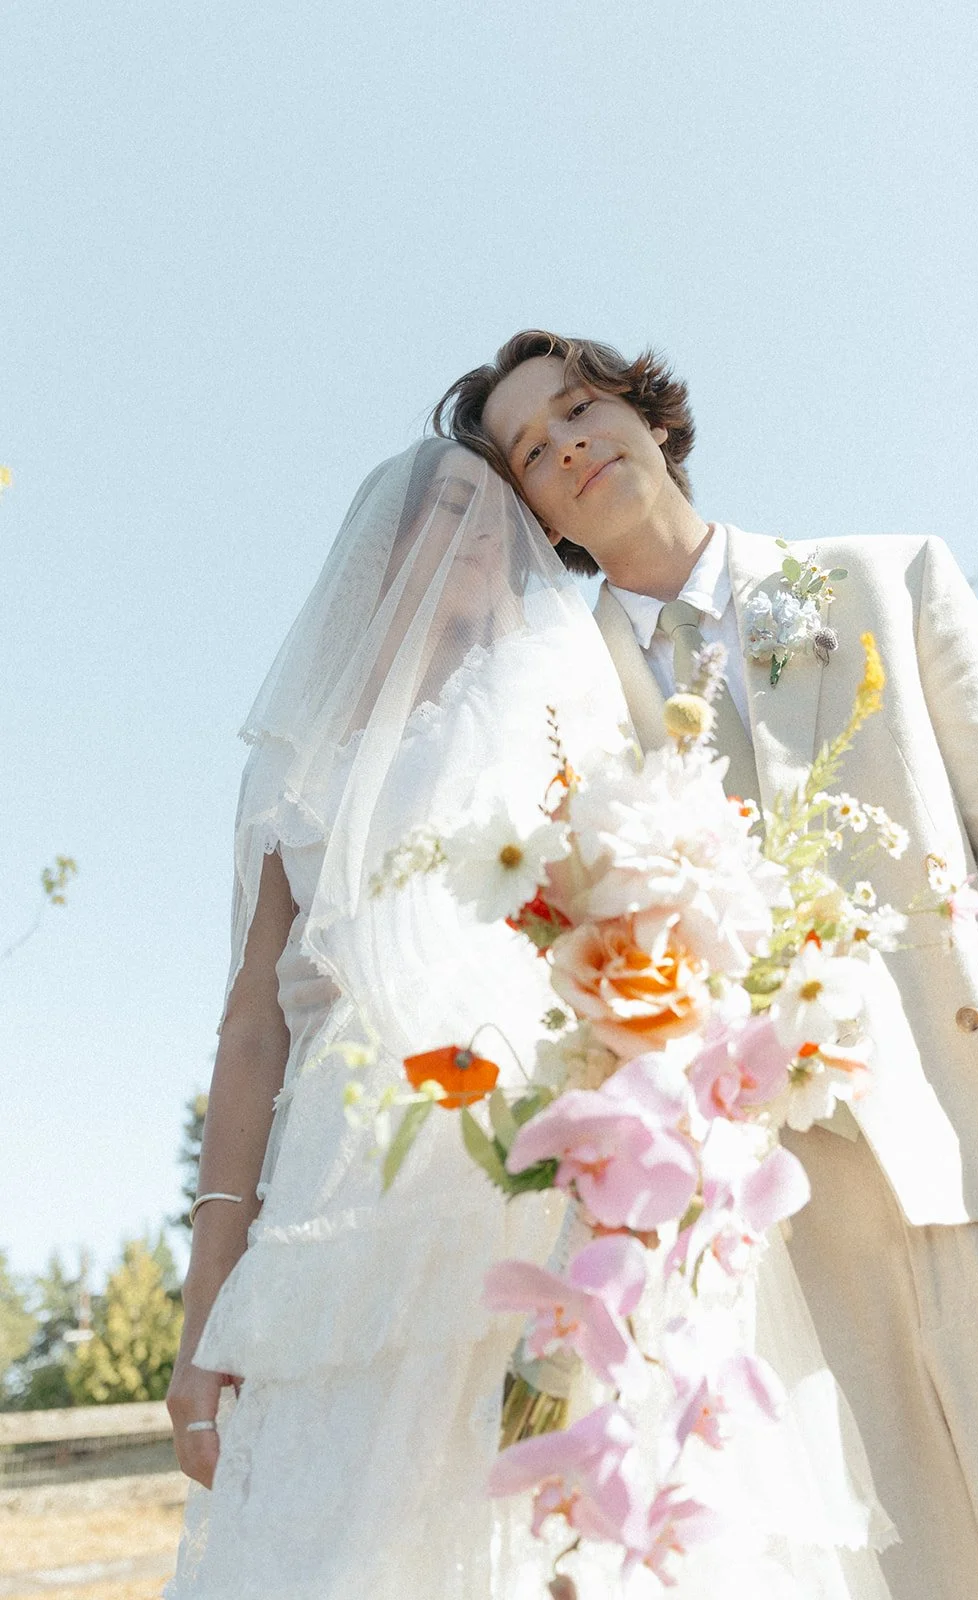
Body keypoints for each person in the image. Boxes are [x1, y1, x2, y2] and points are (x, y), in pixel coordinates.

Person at [433, 328, 978, 1599]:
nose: (565, 445)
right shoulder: (548, 704)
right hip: (773, 1256)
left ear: (649, 415)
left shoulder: (890, 580)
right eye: (529, 451)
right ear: (532, 513)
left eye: (577, 406)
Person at [165, 437, 895, 1599]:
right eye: (438, 509)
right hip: (342, 1180)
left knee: (581, 1501)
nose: (467, 533)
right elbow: (252, 1028)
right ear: (377, 550)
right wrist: (206, 1304)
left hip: (547, 1127)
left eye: (485, 511)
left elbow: (649, 876)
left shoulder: (559, 681)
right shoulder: (296, 768)